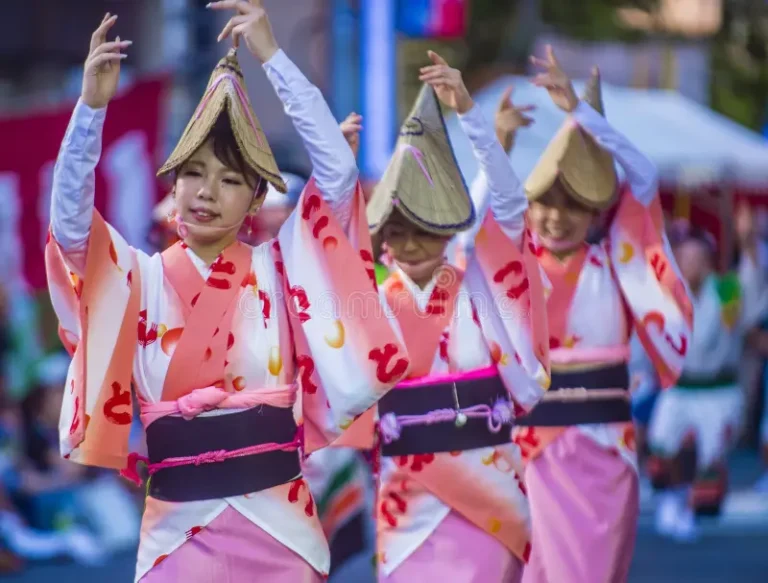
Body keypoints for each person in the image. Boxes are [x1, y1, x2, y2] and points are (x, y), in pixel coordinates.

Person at [45, 4, 410, 582]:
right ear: (173, 184)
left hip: (280, 531)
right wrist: (90, 108)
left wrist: (272, 55)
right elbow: (69, 229)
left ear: (257, 199)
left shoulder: (284, 267)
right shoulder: (137, 278)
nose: (206, 192)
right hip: (175, 536)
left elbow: (339, 178)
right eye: (193, 173)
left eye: (231, 179)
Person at [470, 46, 693, 583]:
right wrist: (494, 145)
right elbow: (463, 236)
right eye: (547, 202)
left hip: (605, 452)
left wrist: (580, 112)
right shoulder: (514, 263)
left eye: (574, 205)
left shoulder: (618, 261)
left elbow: (643, 178)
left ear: (596, 212)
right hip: (530, 453)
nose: (557, 217)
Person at [343, 51, 549, 582]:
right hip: (407, 498)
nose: (411, 244)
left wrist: (471, 117)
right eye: (398, 231)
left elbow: (505, 205)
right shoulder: (369, 303)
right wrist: (336, 175)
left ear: (449, 230)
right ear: (383, 237)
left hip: (489, 492)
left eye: (426, 230)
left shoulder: (479, 288)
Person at [648, 213, 768, 539]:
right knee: (662, 447)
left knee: (710, 459)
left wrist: (747, 242)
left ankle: (692, 508)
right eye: (685, 258)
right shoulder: (670, 292)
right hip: (680, 389)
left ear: (709, 261)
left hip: (719, 390)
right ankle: (672, 501)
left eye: (697, 258)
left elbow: (752, 280)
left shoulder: (727, 291)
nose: (691, 264)